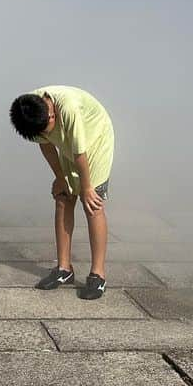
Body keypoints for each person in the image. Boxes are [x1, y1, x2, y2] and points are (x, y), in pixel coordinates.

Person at [9, 86, 113, 300]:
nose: (46, 135)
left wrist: (86, 188)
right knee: (63, 198)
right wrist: (60, 177)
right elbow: (47, 147)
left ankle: (98, 274)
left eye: (48, 128)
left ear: (52, 113)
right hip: (69, 145)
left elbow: (80, 154)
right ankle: (64, 269)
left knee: (92, 203)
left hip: (95, 138)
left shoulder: (69, 108)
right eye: (43, 134)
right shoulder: (28, 113)